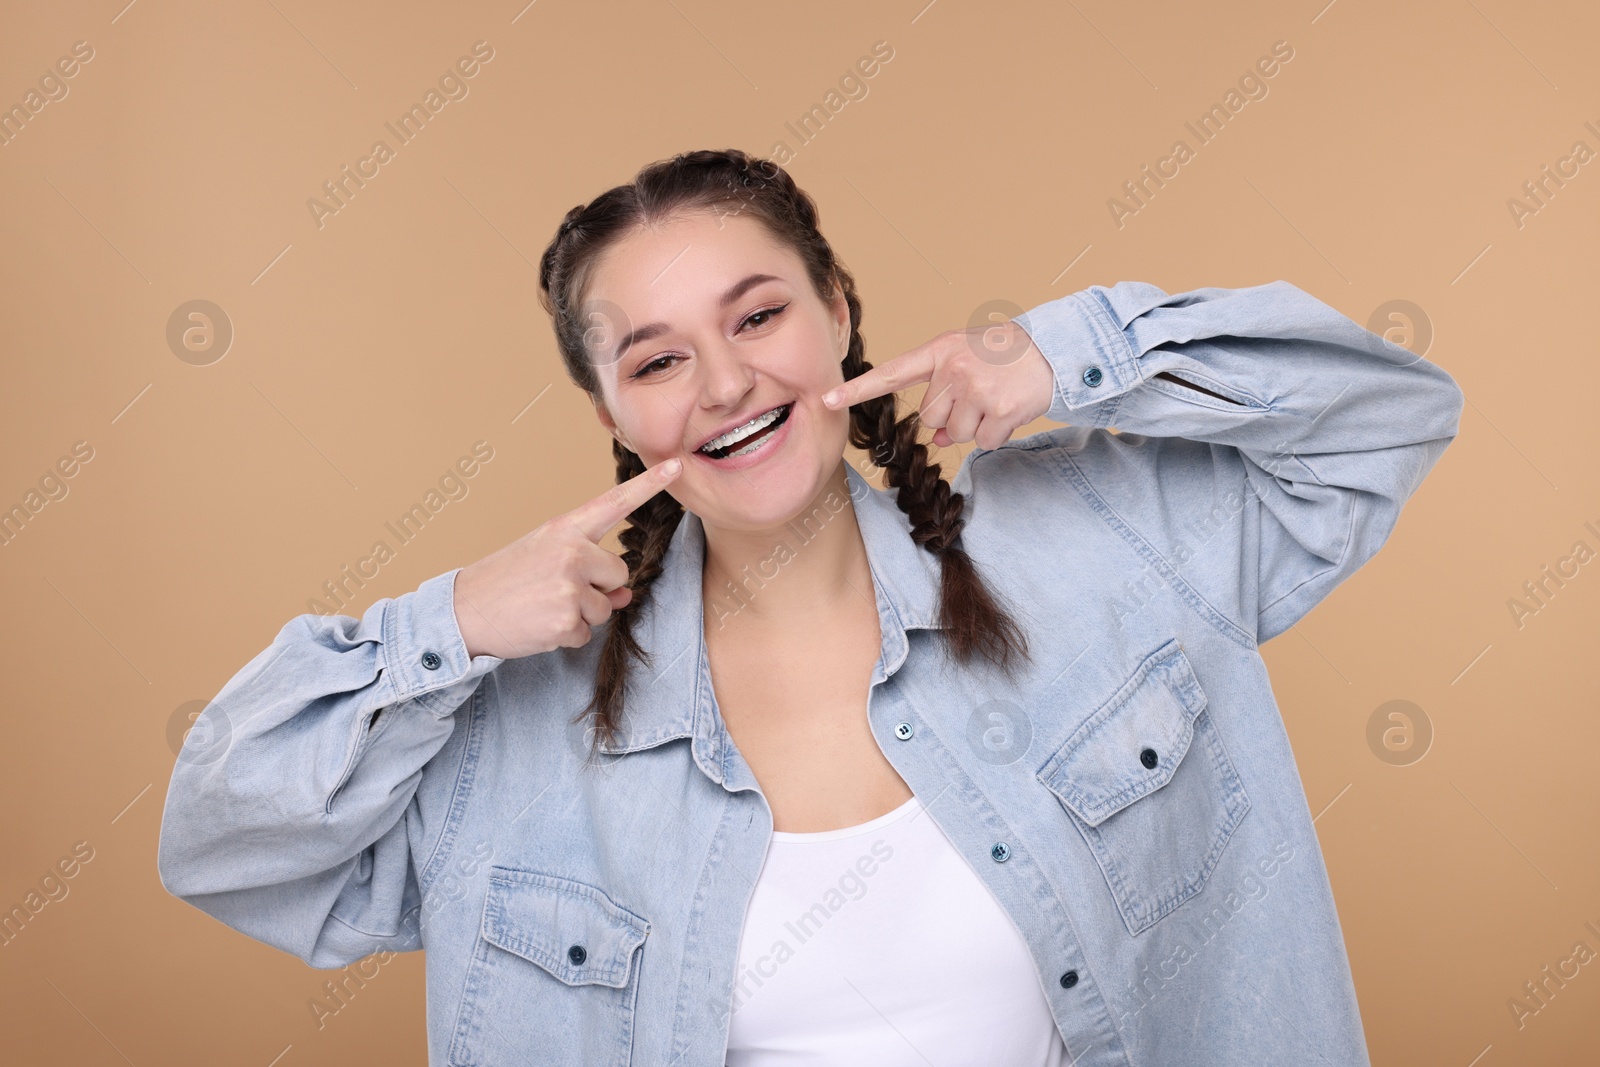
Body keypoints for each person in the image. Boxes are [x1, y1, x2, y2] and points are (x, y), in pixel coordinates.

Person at [157, 148, 1463, 1066]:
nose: (724, 384)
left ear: (839, 315)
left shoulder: (1105, 541)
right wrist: (443, 626)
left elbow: (1388, 419)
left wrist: (1075, 354)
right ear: (612, 414)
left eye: (759, 315)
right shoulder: (514, 724)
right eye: (658, 358)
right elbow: (227, 847)